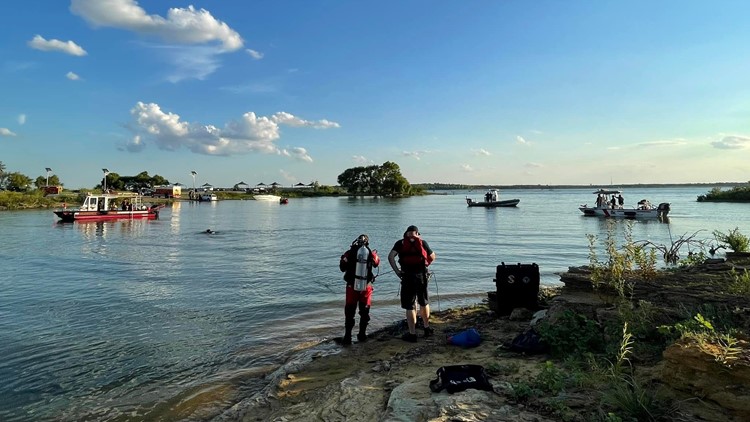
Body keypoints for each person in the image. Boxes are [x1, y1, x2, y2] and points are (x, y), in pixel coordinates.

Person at [388, 225, 436, 342]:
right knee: (424, 302)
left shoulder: (400, 243)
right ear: (417, 233)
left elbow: (390, 257)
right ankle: (426, 328)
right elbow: (432, 257)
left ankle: (412, 334)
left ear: (406, 233)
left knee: (410, 305)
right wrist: (425, 264)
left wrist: (397, 271)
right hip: (421, 277)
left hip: (407, 277)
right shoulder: (422, 242)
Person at [339, 234, 380, 345]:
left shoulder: (349, 253)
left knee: (349, 312)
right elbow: (377, 263)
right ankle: (362, 335)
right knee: (364, 311)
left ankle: (347, 337)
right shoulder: (370, 253)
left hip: (351, 287)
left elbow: (342, 267)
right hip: (366, 287)